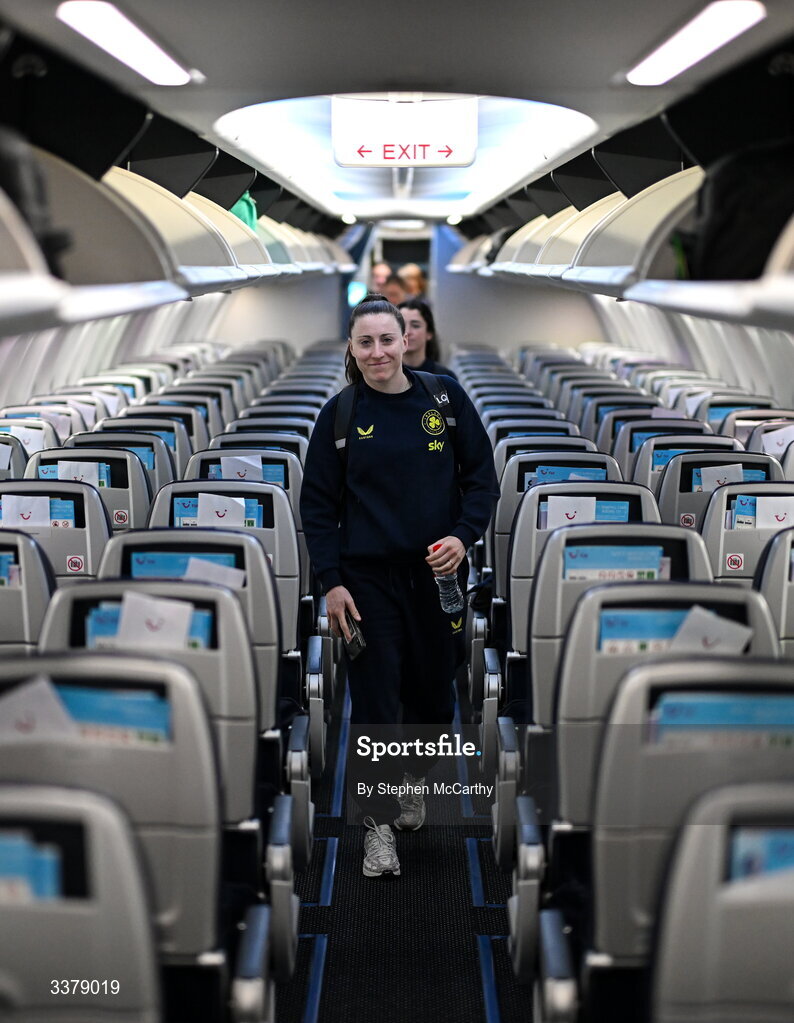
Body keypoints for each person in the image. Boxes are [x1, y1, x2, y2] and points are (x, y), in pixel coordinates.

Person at [300, 293, 499, 878]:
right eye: (365, 342)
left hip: (437, 577)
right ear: (352, 347)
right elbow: (317, 508)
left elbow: (481, 480)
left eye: (387, 339)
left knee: (435, 699)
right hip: (366, 582)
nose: (378, 351)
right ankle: (378, 824)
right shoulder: (339, 416)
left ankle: (410, 776)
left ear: (406, 340)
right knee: (376, 703)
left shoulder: (444, 399)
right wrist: (332, 583)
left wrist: (463, 536)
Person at [398, 297, 457, 379]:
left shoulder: (445, 377)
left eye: (415, 326)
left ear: (429, 333)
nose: (407, 332)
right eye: (402, 325)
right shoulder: (386, 374)